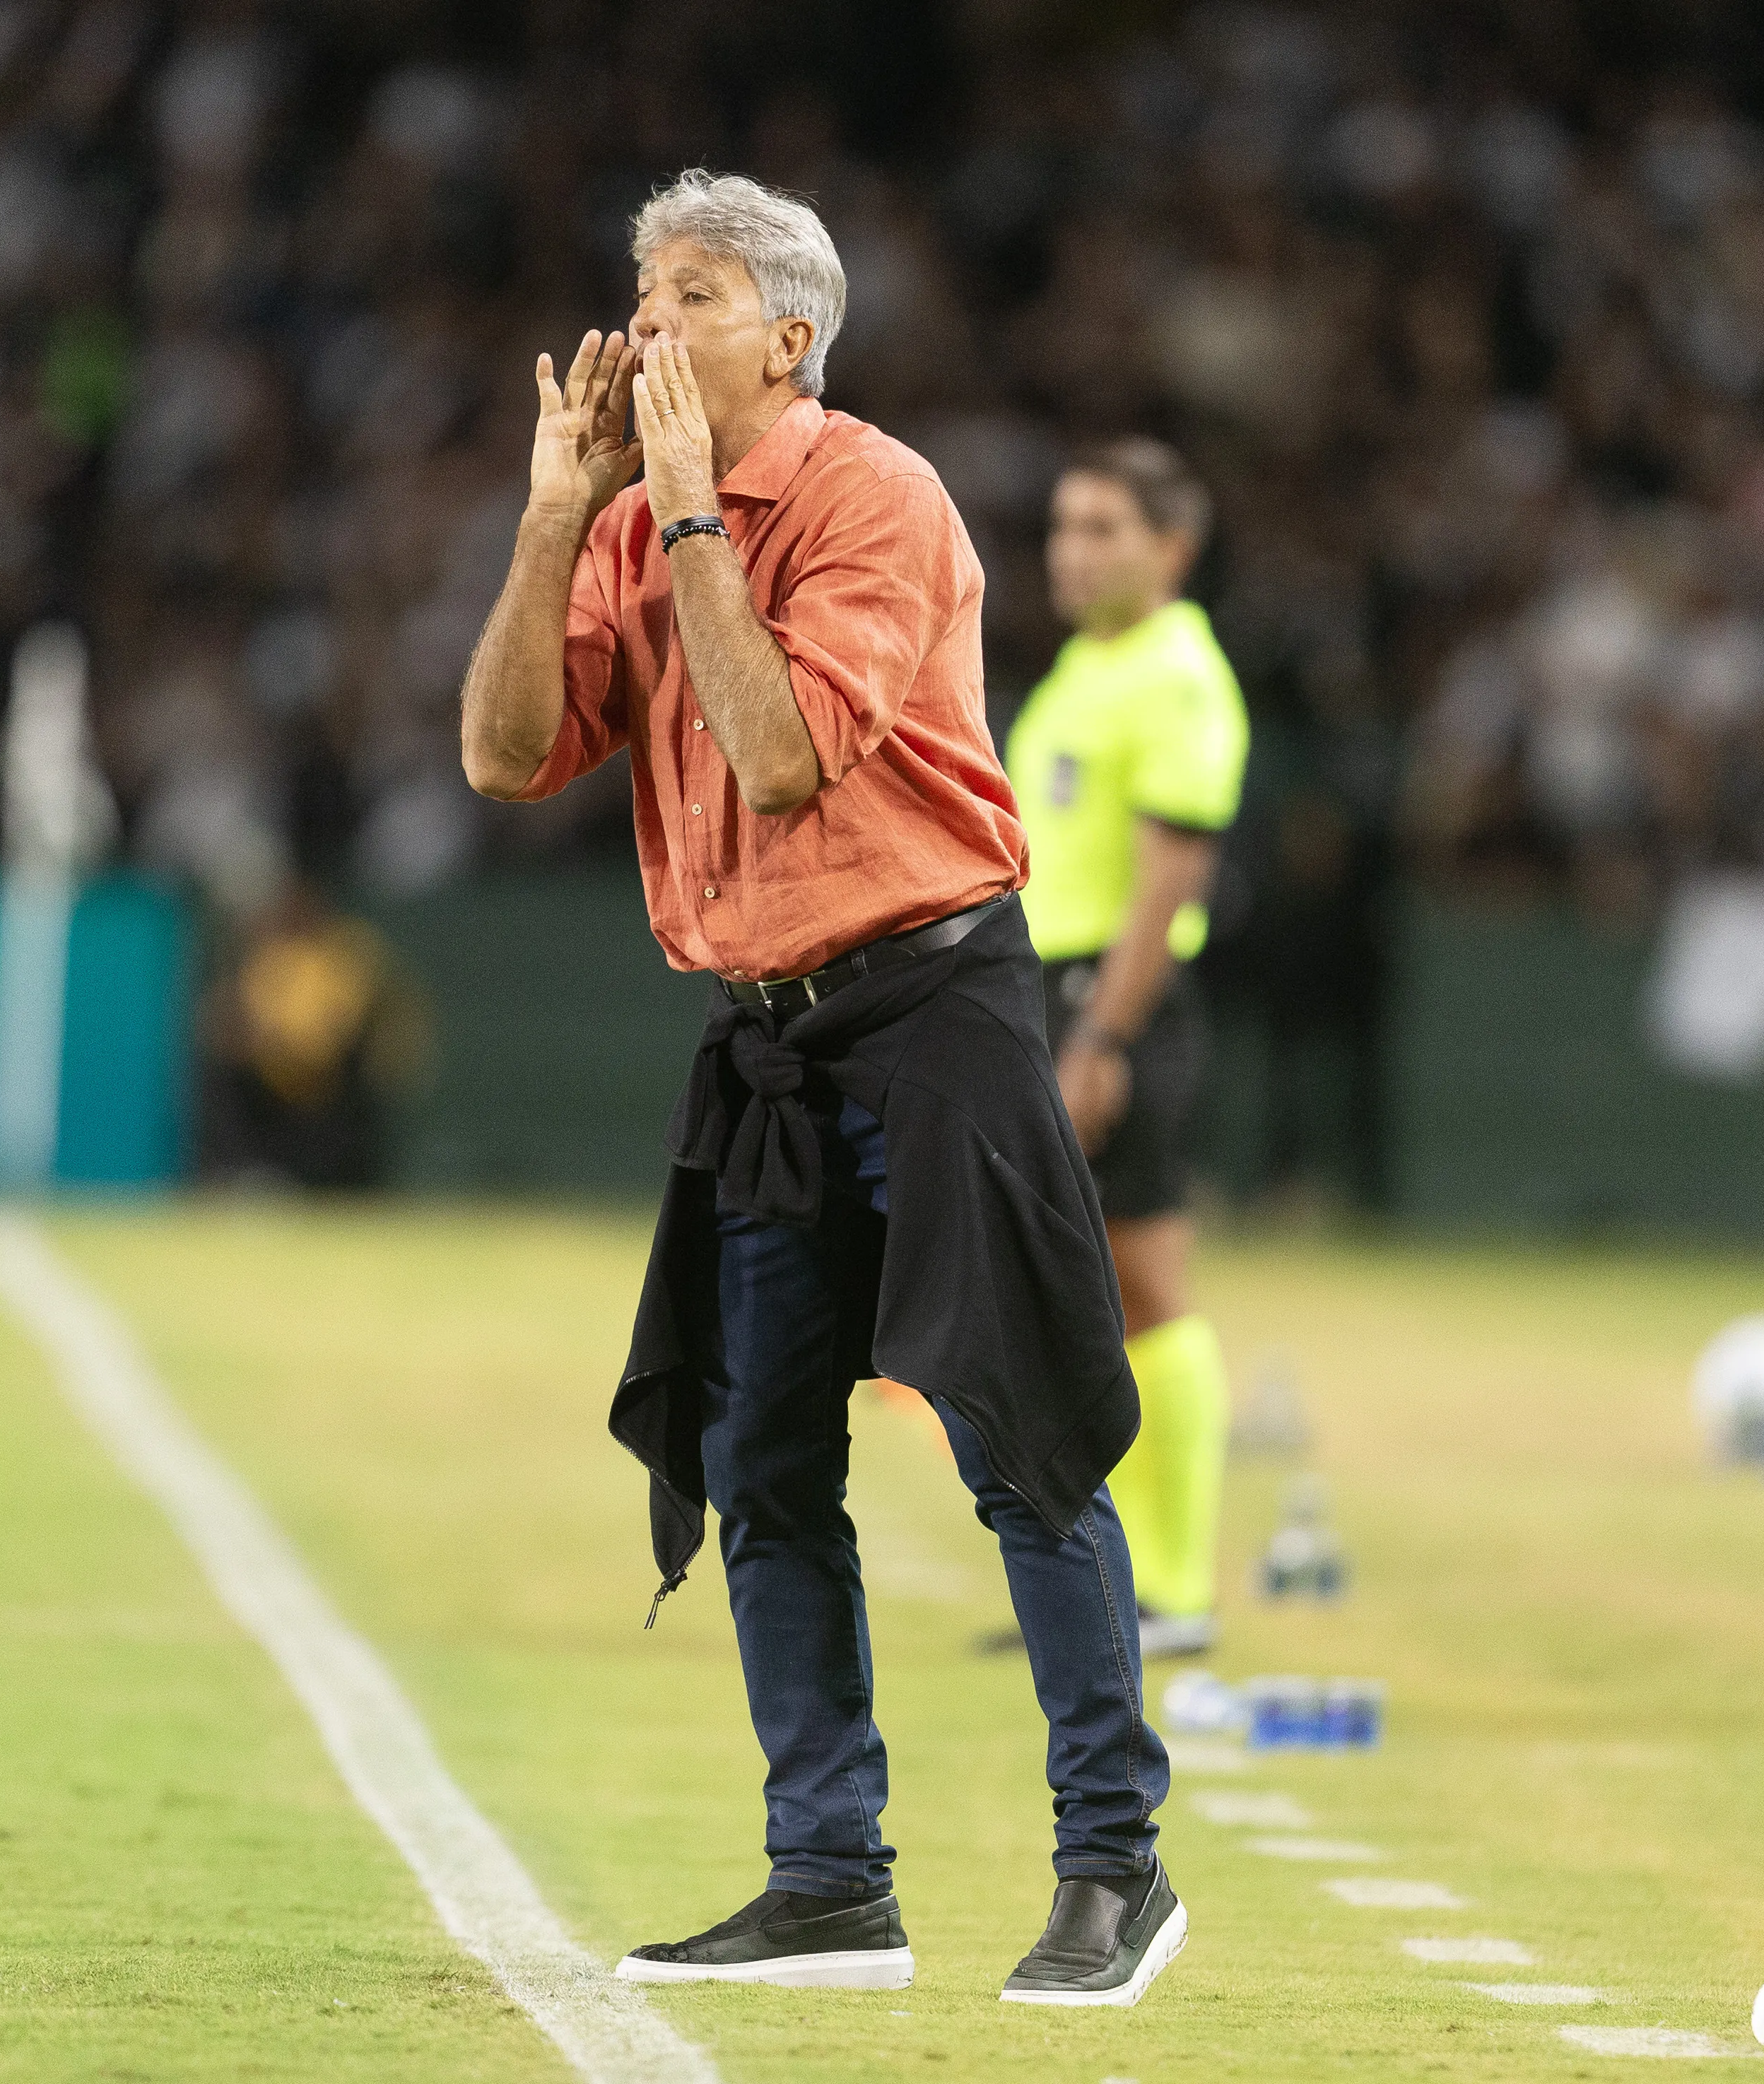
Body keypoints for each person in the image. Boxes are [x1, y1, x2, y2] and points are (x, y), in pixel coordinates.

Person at [458, 170, 1184, 2006]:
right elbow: (505, 753)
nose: (645, 331)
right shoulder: (628, 522)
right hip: (769, 1033)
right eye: (638, 292)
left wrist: (686, 511)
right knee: (762, 1457)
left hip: (937, 1007)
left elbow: (780, 760)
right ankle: (829, 1878)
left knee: (1019, 1441)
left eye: (688, 296)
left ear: (790, 335)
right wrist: (558, 522)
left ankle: (1117, 1867)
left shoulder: (878, 498)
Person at [1001, 440, 1248, 1659]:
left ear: (1173, 548)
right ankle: (1113, 1586)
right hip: (1049, 990)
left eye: (1105, 527)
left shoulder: (1178, 676)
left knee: (1145, 1287)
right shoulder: (1084, 673)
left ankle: (1178, 1589)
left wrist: (1102, 1035)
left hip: (1115, 995)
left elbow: (1172, 878)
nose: (1074, 549)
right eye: (1063, 525)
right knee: (1075, 1303)